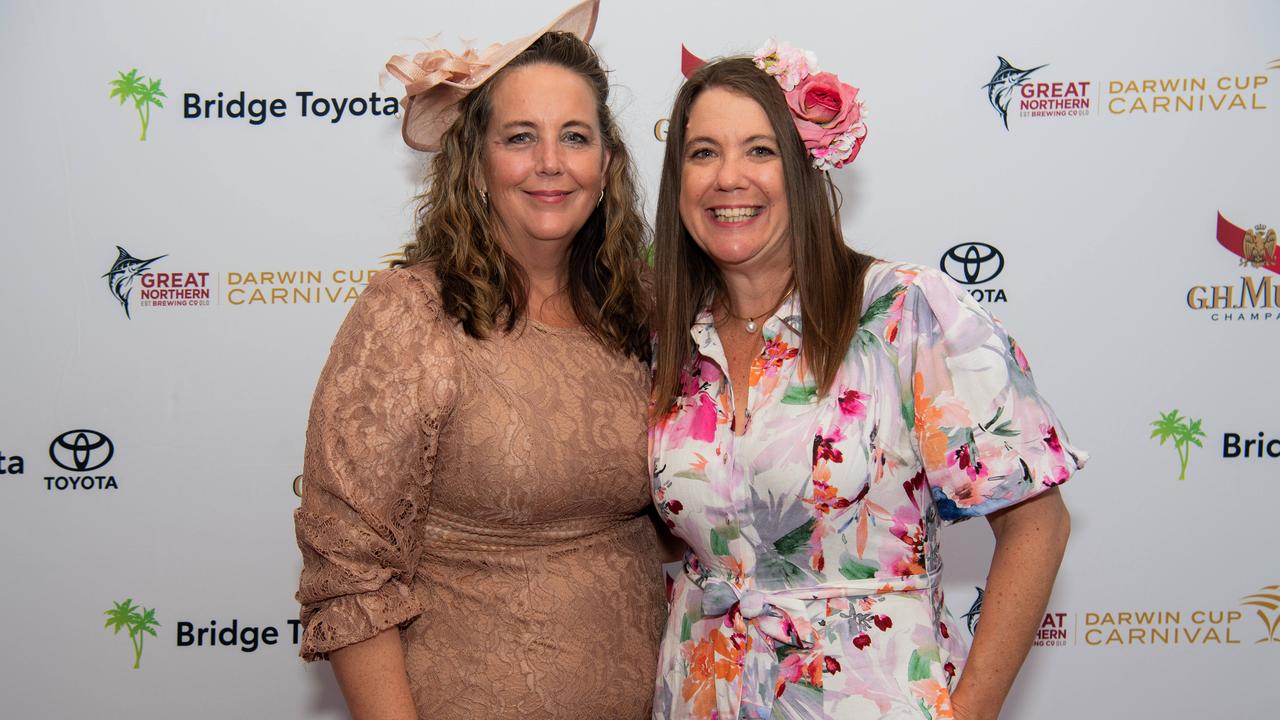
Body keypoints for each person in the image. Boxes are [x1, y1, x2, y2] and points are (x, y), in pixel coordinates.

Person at [649, 43, 1085, 720]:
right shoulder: (669, 341)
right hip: (702, 697)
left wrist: (971, 711)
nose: (728, 177)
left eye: (759, 150)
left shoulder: (907, 313)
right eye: (703, 153)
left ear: (805, 167)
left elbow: (1039, 523)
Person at [293, 3, 664, 718]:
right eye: (520, 137)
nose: (551, 163)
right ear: (477, 157)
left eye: (575, 137)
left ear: (607, 161)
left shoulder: (642, 311)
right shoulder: (408, 315)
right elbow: (348, 571)